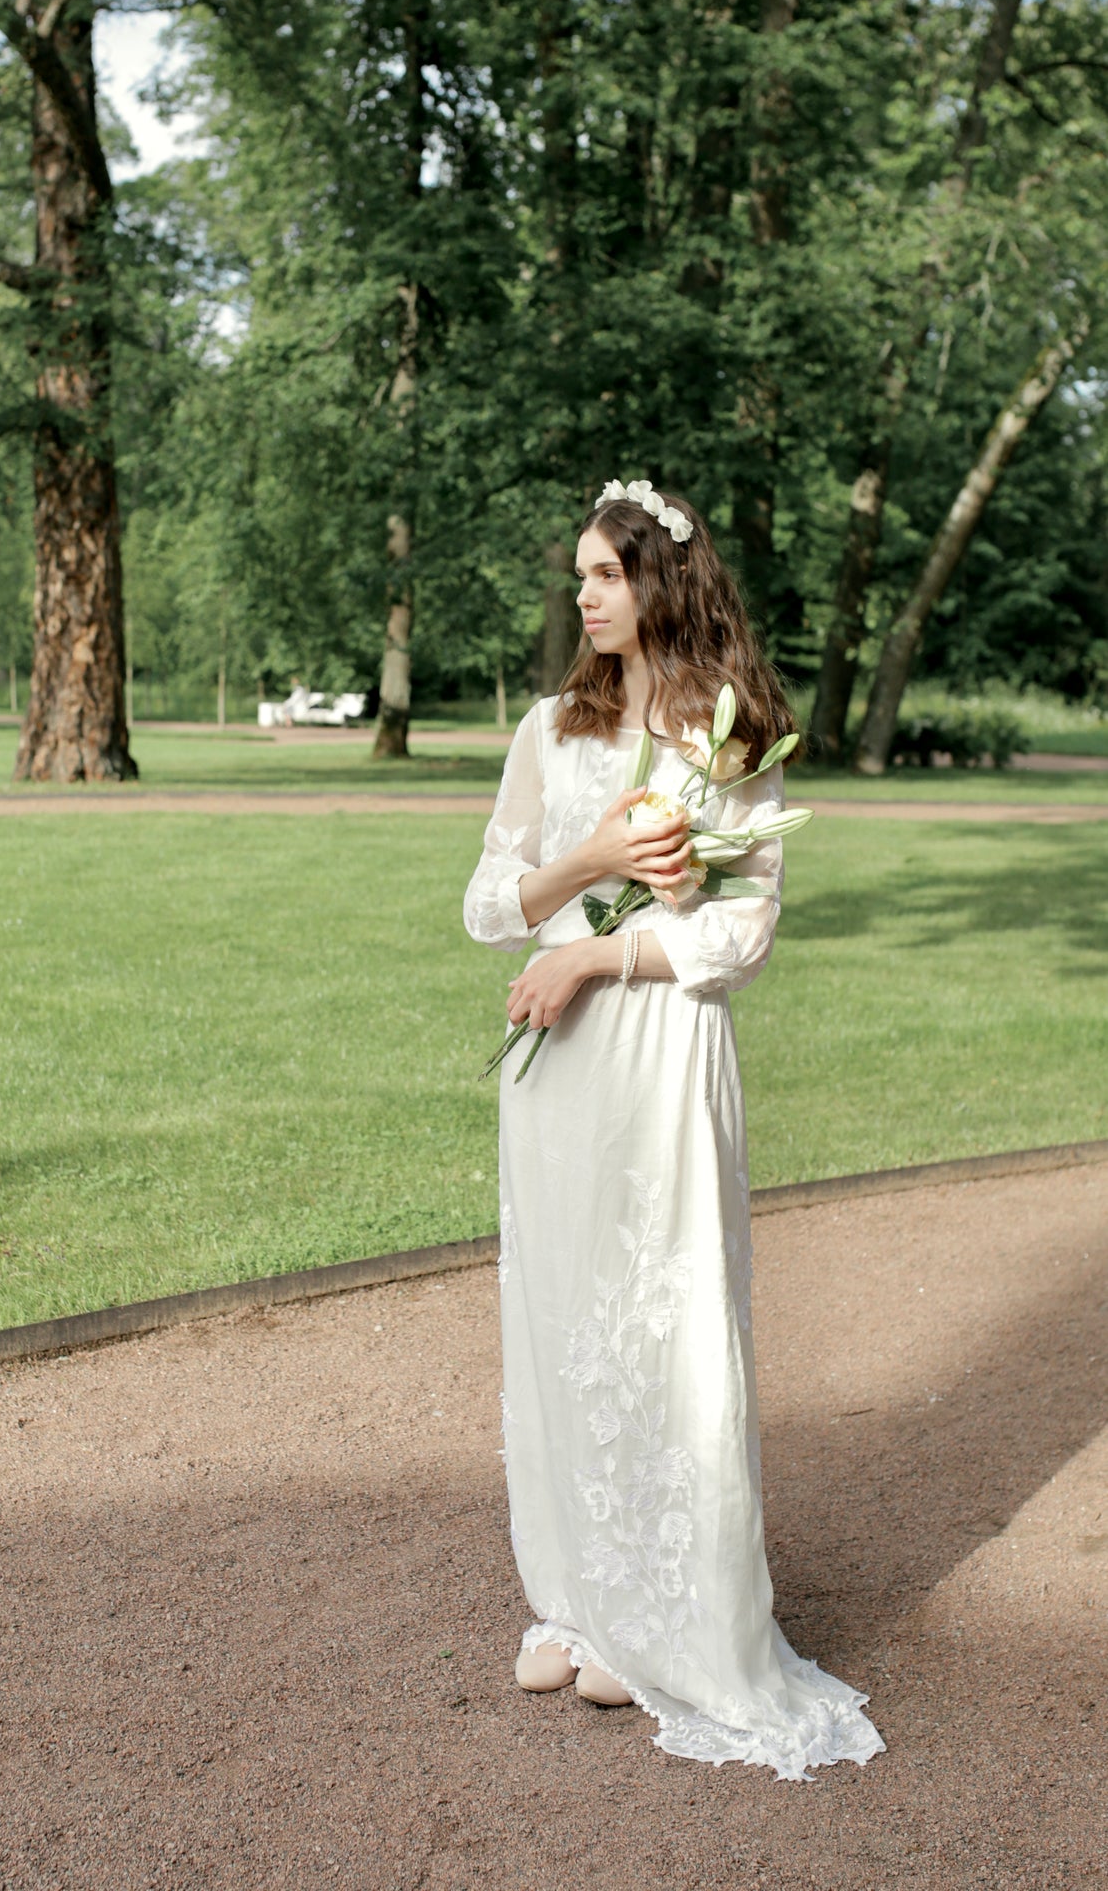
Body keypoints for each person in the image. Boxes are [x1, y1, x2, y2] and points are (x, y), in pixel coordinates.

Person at [463, 477, 885, 1782]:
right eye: (578, 574)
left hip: (659, 1049)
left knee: (665, 1319)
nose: (582, 594)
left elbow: (741, 932)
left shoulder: (732, 729)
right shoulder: (549, 727)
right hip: (559, 1069)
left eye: (603, 573)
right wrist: (590, 862)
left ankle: (670, 1613)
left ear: (662, 582)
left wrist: (597, 959)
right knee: (564, 1325)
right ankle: (578, 1599)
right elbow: (489, 907)